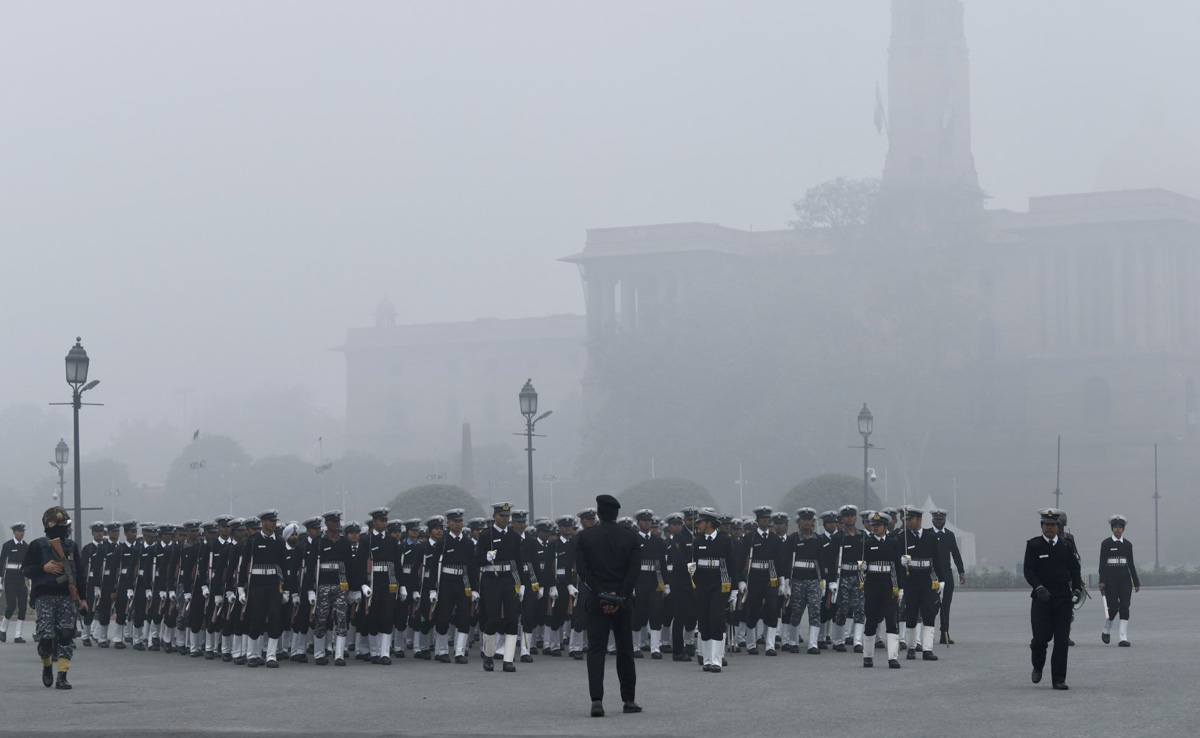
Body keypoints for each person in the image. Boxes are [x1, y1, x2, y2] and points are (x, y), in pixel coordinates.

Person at [574, 494, 642, 718]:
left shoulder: (585, 537)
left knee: (596, 650)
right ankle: (629, 699)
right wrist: (619, 596)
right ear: (617, 514)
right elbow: (633, 573)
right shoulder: (631, 538)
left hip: (596, 599)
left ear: (598, 513)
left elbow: (584, 573)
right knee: (625, 650)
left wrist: (603, 595)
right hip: (622, 600)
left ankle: (597, 701)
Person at [21, 506, 87, 689]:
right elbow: (25, 570)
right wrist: (44, 568)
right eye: (62, 525)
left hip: (67, 596)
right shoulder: (37, 545)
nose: (66, 528)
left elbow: (80, 573)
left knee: (66, 634)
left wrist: (83, 598)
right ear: (51, 525)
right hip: (45, 597)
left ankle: (62, 676)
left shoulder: (71, 546)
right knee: (46, 638)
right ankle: (47, 666)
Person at [1024, 508, 1083, 690]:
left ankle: (1058, 678)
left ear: (1058, 526)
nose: (1049, 528)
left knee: (1062, 641)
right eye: (1046, 525)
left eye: (1052, 525)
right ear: (1041, 526)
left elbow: (1075, 569)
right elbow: (1028, 570)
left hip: (1063, 600)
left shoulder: (1067, 545)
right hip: (1042, 600)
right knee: (1041, 639)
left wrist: (1077, 589)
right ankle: (1038, 665)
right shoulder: (1034, 545)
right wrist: (1038, 587)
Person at [1099, 514, 1140, 647]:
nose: (1117, 529)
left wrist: (1136, 581)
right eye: (1115, 527)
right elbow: (1102, 564)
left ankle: (1123, 637)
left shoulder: (1127, 545)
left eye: (1120, 527)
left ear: (1123, 529)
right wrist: (1102, 580)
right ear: (1112, 529)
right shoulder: (1106, 543)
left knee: (1124, 607)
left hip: (1125, 580)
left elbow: (1131, 564)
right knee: (1114, 607)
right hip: (1110, 580)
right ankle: (1106, 629)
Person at [929, 508, 965, 644]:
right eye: (936, 519)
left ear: (944, 521)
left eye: (941, 519)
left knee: (946, 605)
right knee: (931, 606)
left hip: (946, 574)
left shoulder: (949, 535)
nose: (939, 521)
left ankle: (945, 633)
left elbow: (955, 554)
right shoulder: (928, 534)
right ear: (932, 520)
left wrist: (961, 571)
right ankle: (929, 634)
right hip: (931, 575)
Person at [1, 522, 30, 643]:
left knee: (23, 607)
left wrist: (30, 579)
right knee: (11, 605)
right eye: (19, 531)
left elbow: (29, 564)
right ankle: (2, 629)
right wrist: (0, 580)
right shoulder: (8, 545)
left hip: (22, 577)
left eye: (23, 531)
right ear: (14, 532)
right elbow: (2, 563)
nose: (21, 533)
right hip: (10, 576)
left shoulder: (26, 546)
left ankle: (18, 635)